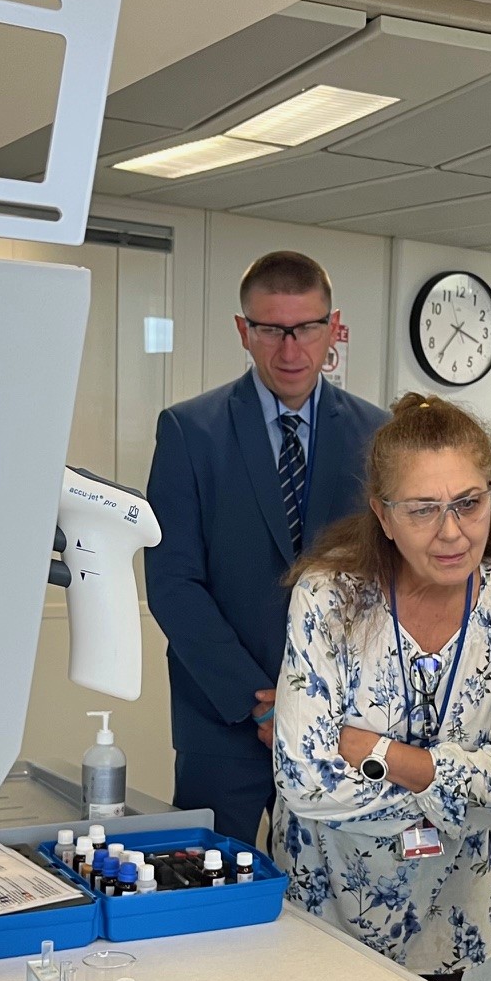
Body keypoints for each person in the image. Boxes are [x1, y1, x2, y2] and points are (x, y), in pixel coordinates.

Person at [271, 394, 491, 981]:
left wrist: (384, 755)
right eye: (423, 509)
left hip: (455, 900)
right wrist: (459, 794)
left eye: (468, 503)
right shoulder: (329, 599)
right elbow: (304, 780)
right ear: (383, 515)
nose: (451, 532)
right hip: (329, 895)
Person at [145, 250, 390, 842]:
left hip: (345, 720)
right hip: (222, 720)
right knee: (214, 880)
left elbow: (391, 573)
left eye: (306, 328)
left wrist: (312, 701)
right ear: (243, 330)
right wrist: (256, 700)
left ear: (333, 328)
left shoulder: (378, 435)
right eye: (271, 330)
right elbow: (173, 583)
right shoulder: (189, 431)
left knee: (333, 889)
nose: (290, 349)